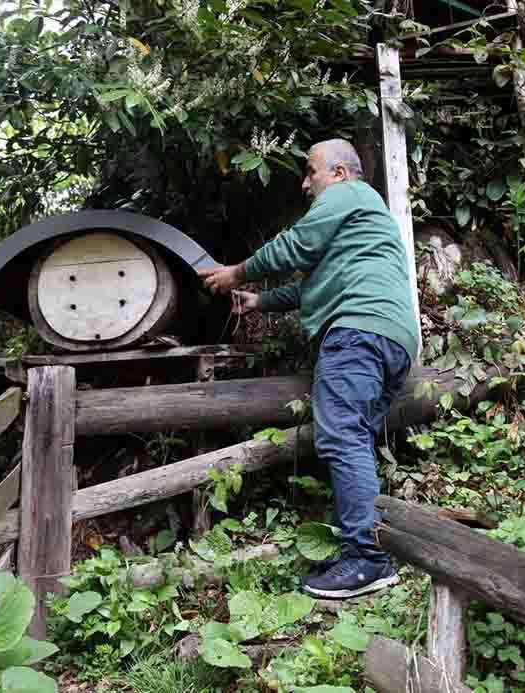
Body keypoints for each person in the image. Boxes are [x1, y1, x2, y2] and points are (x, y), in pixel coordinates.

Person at [198, 138, 419, 599]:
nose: (304, 182)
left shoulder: (349, 194)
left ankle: (366, 559)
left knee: (340, 437)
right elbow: (313, 283)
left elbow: (297, 245)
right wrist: (260, 300)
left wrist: (237, 273)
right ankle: (371, 546)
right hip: (390, 337)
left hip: (357, 333)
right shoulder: (362, 226)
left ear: (339, 173)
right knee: (352, 437)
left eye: (310, 171)